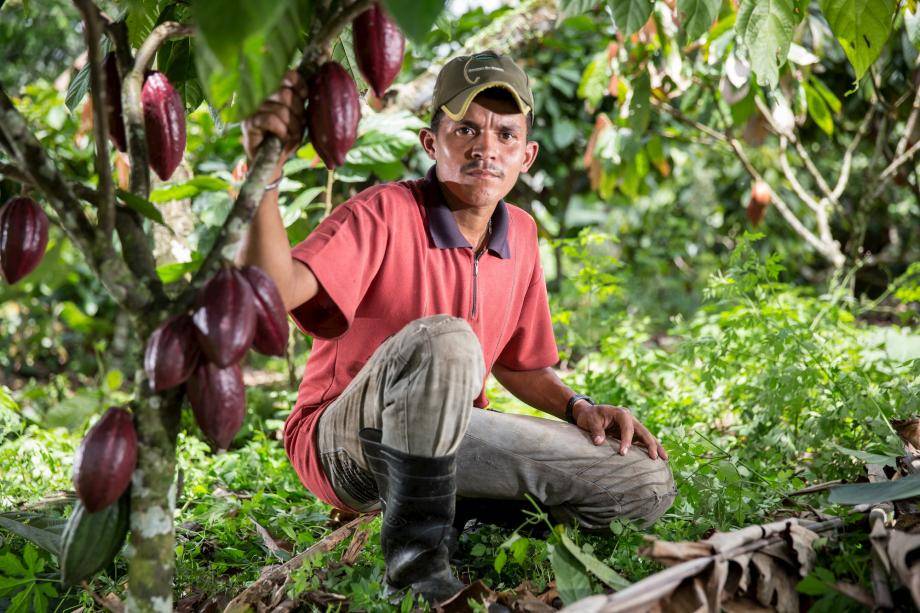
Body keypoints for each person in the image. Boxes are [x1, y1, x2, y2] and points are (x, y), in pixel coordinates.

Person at [238, 51, 676, 604]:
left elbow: (521, 364)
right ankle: (416, 568)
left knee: (643, 481)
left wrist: (579, 407)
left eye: (505, 135)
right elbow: (273, 291)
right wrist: (265, 179)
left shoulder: (522, 232)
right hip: (344, 444)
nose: (486, 148)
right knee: (447, 338)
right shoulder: (384, 212)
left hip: (446, 438)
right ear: (431, 143)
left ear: (527, 154)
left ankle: (459, 511)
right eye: (465, 129)